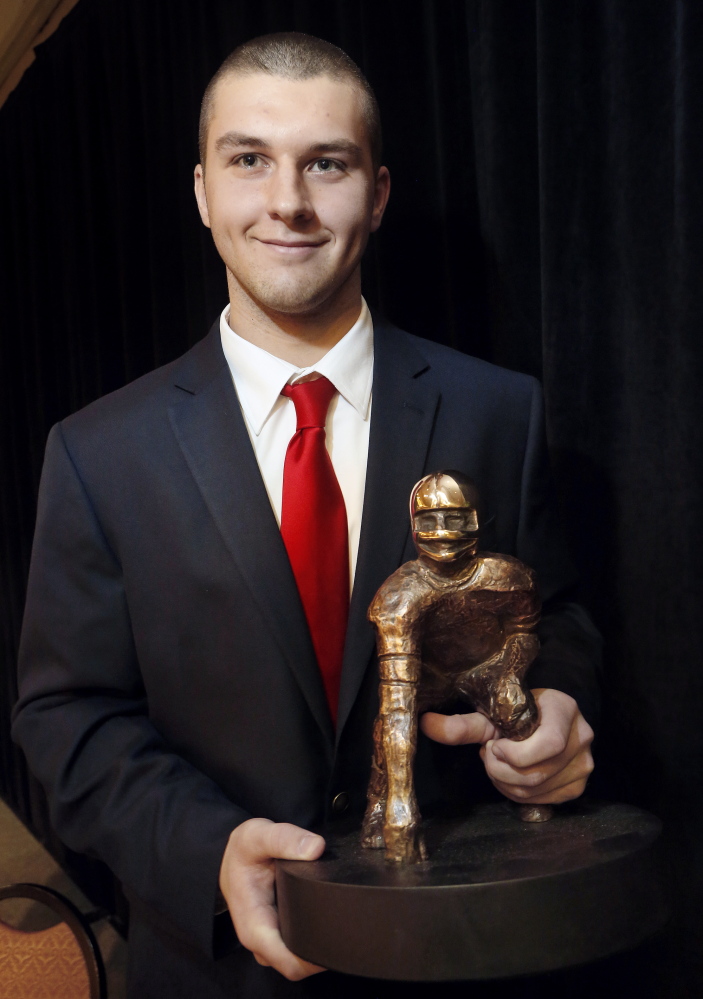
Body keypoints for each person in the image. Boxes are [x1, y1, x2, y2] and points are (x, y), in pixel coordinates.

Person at [12, 32, 600, 999]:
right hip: (218, 973)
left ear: (374, 192)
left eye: (324, 163)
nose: (286, 200)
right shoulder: (94, 454)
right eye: (249, 160)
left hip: (467, 953)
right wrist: (210, 848)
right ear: (203, 191)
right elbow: (64, 716)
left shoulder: (500, 409)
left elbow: (560, 616)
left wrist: (563, 705)